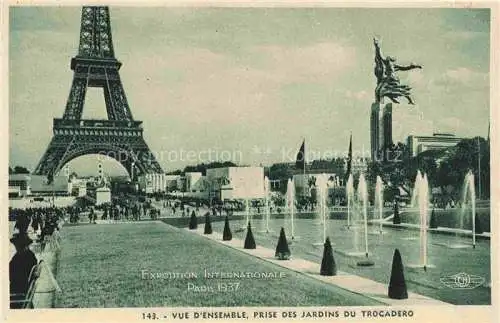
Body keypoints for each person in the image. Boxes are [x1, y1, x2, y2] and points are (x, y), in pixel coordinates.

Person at [9, 233, 38, 308]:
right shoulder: (31, 256)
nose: (15, 247)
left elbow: (12, 276)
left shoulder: (20, 258)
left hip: (17, 294)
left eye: (16, 245)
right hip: (23, 291)